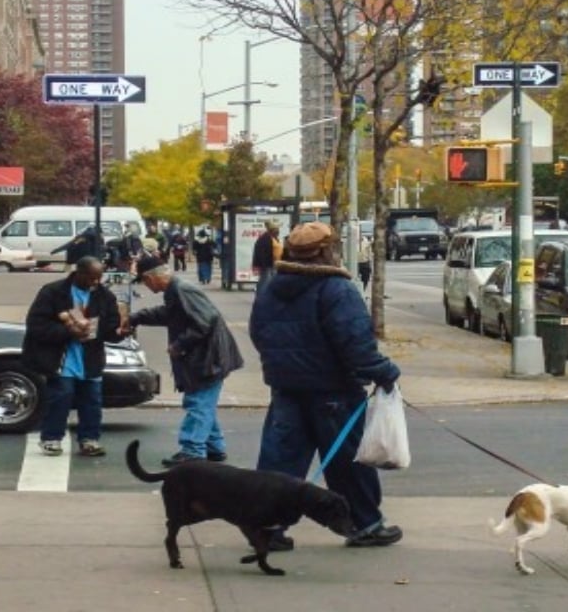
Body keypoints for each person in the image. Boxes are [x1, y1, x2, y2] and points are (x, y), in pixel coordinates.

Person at [249, 221, 403, 550]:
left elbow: (258, 333)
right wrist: (384, 371)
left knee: (280, 462)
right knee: (348, 464)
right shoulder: (337, 289)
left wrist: (281, 367)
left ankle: (266, 527)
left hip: (286, 388)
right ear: (325, 250)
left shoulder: (272, 287)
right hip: (334, 391)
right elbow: (356, 344)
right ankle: (366, 524)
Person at [126, 255, 243, 466]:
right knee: (203, 402)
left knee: (198, 403)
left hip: (208, 358)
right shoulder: (175, 289)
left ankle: (193, 450)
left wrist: (179, 346)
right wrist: (137, 317)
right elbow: (170, 314)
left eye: (144, 281)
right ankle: (213, 446)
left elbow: (205, 320)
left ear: (150, 277)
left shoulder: (181, 289)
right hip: (208, 356)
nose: (145, 286)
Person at [22, 256, 123, 457]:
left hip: (90, 357)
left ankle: (89, 439)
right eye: (91, 278)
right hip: (61, 357)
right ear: (79, 273)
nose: (95, 283)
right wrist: (68, 332)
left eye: (99, 278)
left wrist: (121, 331)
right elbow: (36, 325)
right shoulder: (53, 292)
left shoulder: (104, 296)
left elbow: (110, 328)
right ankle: (51, 438)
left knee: (92, 400)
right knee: (61, 396)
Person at [251, 221, 282, 292]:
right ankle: (261, 296)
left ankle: (266, 295)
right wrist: (265, 265)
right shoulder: (265, 239)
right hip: (268, 265)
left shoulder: (273, 238)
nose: (278, 231)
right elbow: (263, 253)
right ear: (272, 230)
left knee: (268, 281)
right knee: (264, 282)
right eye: (276, 230)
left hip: (273, 264)